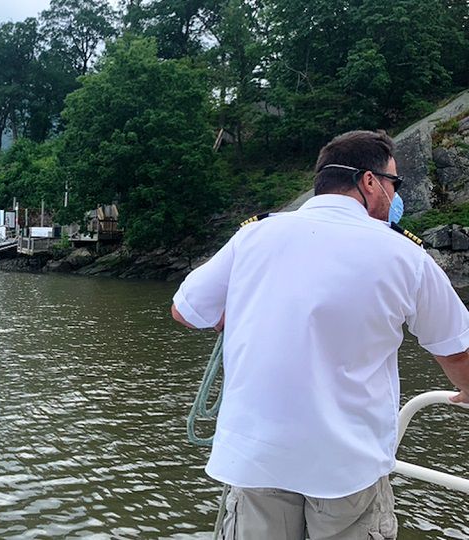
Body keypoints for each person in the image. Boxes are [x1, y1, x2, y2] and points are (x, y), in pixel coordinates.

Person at [171, 130, 469, 539]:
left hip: (258, 459)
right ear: (369, 181)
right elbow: (457, 350)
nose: (395, 196)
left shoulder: (255, 235)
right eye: (394, 184)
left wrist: (230, 314)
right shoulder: (406, 256)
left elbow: (185, 310)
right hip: (346, 465)